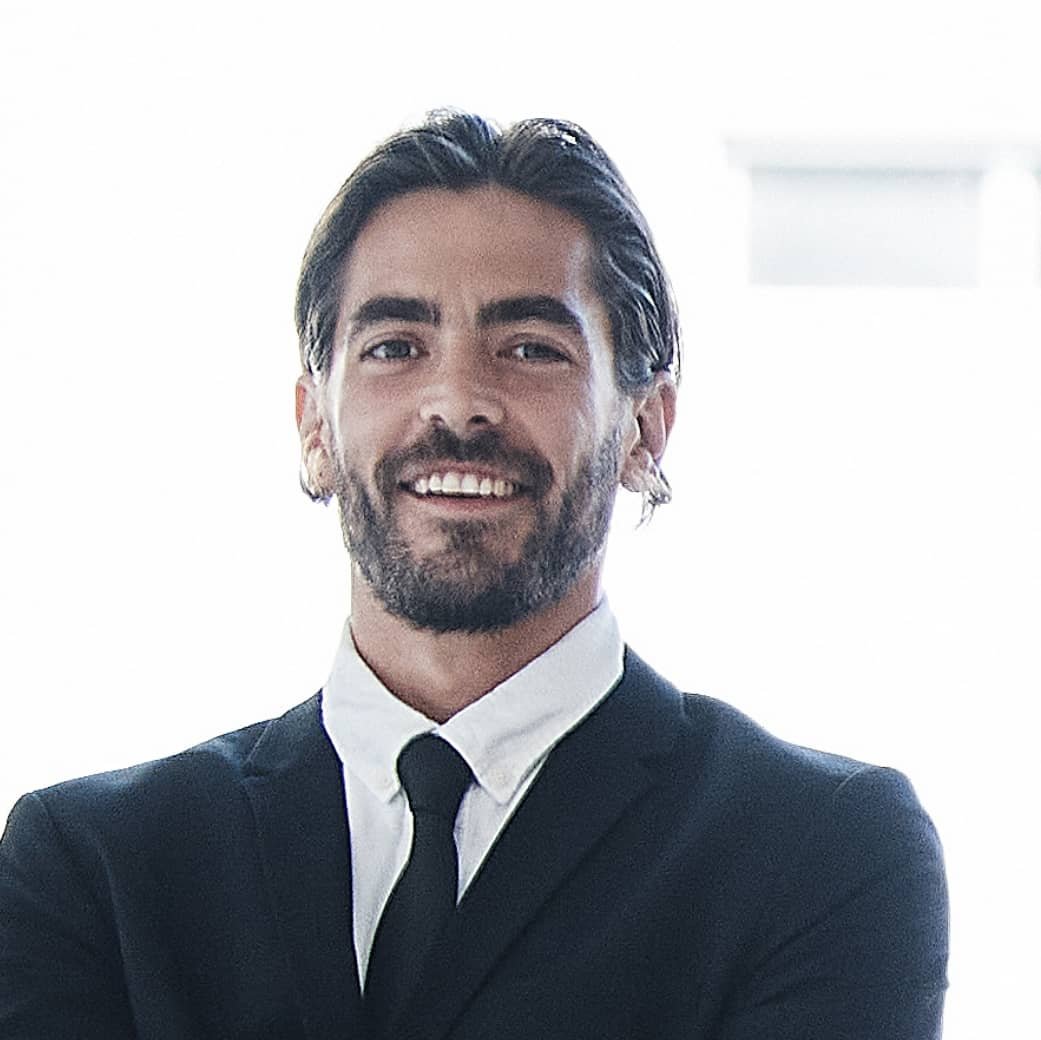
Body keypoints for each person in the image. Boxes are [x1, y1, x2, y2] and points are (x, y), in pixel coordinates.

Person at [0, 111, 948, 1039]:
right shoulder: (92, 869)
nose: (456, 402)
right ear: (314, 424)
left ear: (645, 427)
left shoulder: (817, 850)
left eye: (530, 349)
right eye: (394, 349)